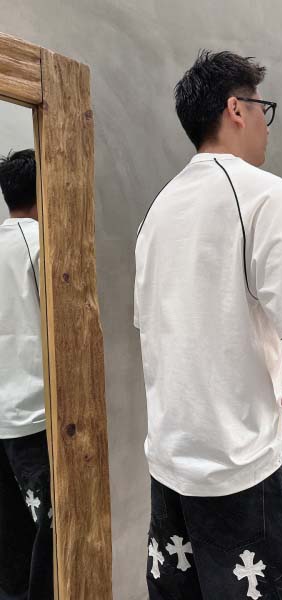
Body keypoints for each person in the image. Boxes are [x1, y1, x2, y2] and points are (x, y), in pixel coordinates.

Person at [134, 50, 282, 599]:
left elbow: (156, 331)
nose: (265, 125)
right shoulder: (262, 193)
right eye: (262, 109)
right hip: (245, 470)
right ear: (235, 109)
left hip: (170, 466)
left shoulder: (155, 213)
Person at [0, 149, 53, 600]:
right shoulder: (45, 248)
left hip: (2, 418)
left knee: (11, 542)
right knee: (50, 538)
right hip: (38, 417)